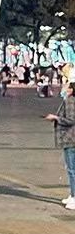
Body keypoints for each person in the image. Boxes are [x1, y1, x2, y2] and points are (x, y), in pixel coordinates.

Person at [46, 83, 75, 211]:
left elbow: (71, 120)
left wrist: (56, 118)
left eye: (67, 86)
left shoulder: (70, 101)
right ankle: (72, 194)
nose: (64, 88)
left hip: (70, 138)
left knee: (72, 170)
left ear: (71, 90)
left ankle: (74, 197)